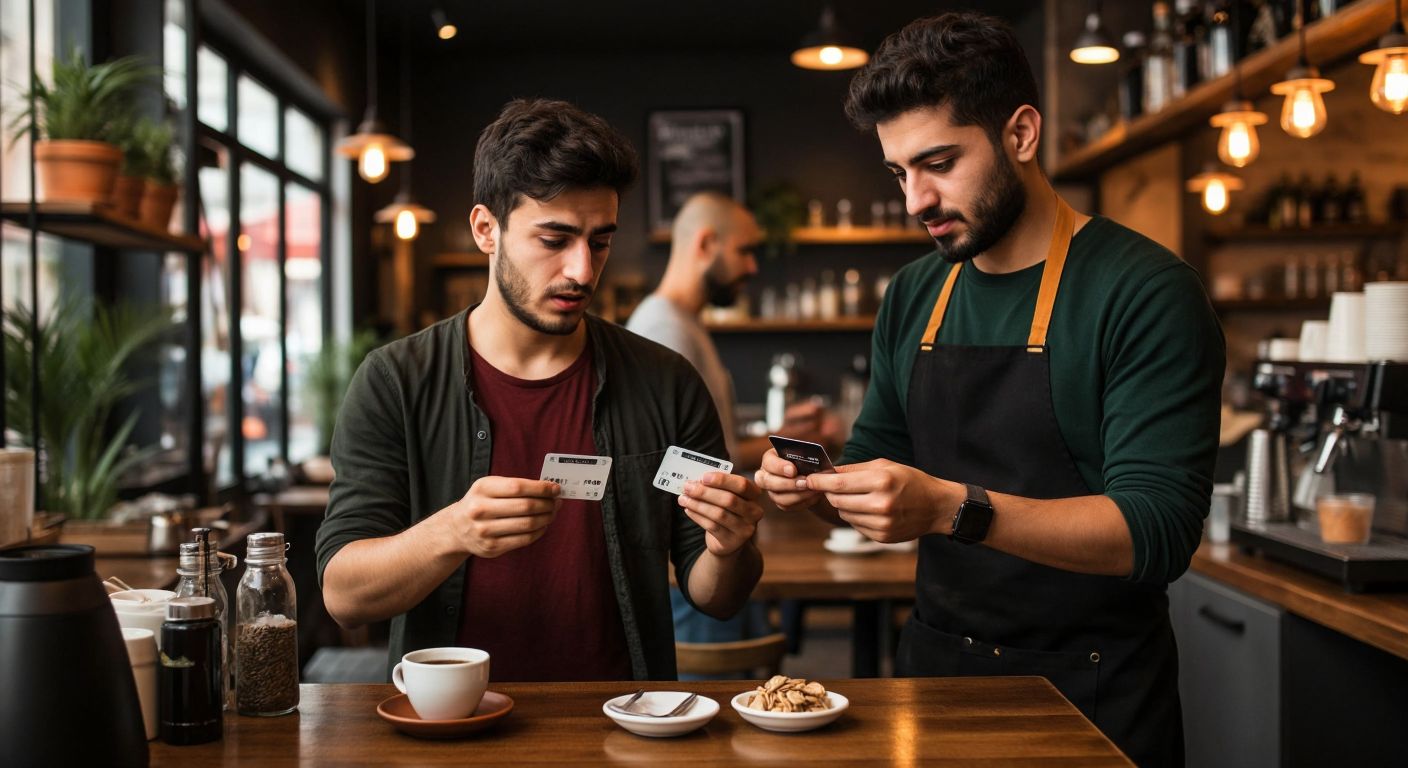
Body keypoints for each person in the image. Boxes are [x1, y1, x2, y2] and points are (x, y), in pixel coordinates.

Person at [755, 14, 1223, 767]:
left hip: (1095, 694)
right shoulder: (915, 293)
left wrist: (949, 506)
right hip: (937, 676)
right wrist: (815, 483)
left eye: (938, 162)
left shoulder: (1144, 291)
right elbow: (879, 454)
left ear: (1022, 134)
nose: (916, 200)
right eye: (900, 172)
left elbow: (1155, 530)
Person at [316, 98, 765, 683]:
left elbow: (714, 595)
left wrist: (730, 546)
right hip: (453, 725)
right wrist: (453, 531)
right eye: (554, 239)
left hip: (624, 723)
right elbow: (344, 594)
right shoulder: (395, 380)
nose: (582, 270)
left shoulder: (666, 381)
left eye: (599, 242)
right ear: (486, 229)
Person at [626, 191, 835, 651]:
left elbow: (704, 454)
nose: (754, 267)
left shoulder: (683, 323)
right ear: (705, 244)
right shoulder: (664, 331)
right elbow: (665, 468)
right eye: (745, 251)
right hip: (693, 567)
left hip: (717, 551)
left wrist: (779, 439)